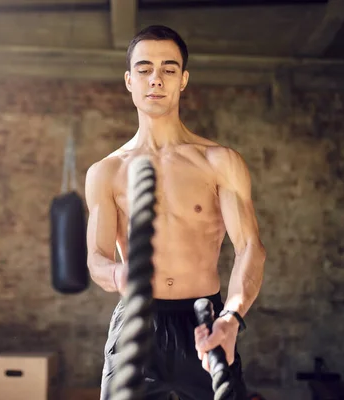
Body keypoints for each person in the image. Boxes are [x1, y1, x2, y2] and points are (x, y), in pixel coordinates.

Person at [84, 25, 266, 400]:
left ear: (183, 80)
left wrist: (231, 318)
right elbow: (96, 259)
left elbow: (250, 247)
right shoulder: (107, 171)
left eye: (168, 69)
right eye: (144, 68)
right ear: (129, 80)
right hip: (137, 322)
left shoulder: (219, 161)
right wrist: (122, 276)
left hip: (204, 321)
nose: (156, 79)